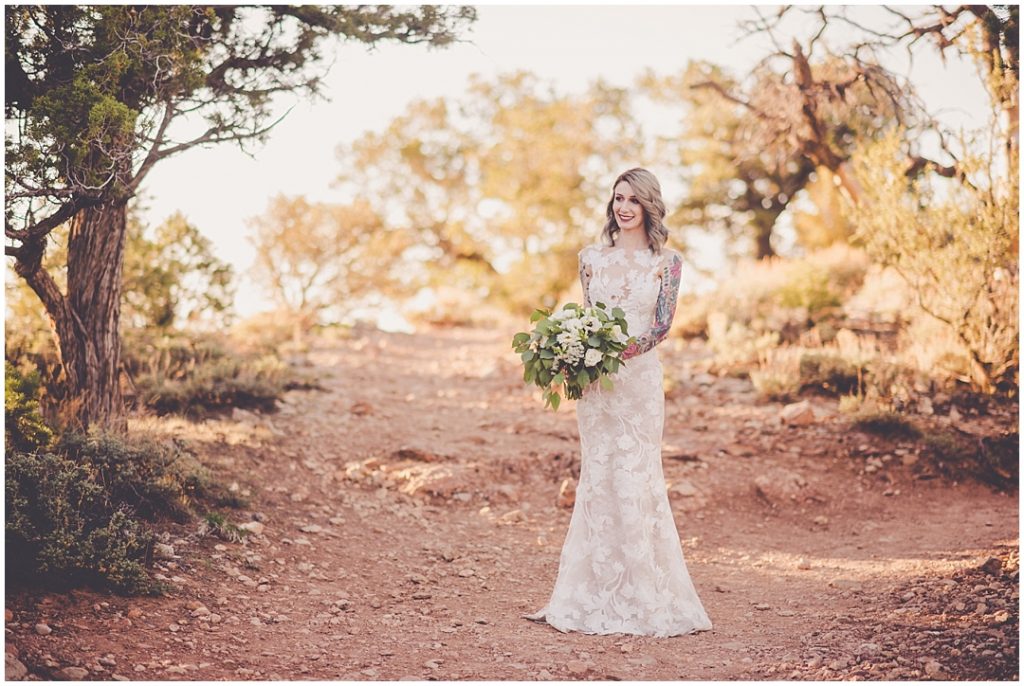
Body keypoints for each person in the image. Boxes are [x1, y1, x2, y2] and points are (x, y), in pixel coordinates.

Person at [522, 167, 713, 637]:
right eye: (617, 199)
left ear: (650, 205)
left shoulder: (667, 263)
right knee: (599, 474)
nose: (623, 207)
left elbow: (663, 325)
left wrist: (621, 351)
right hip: (598, 388)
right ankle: (590, 591)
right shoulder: (591, 259)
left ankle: (645, 595)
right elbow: (587, 317)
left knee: (637, 474)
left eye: (632, 199)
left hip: (640, 384)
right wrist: (575, 355)